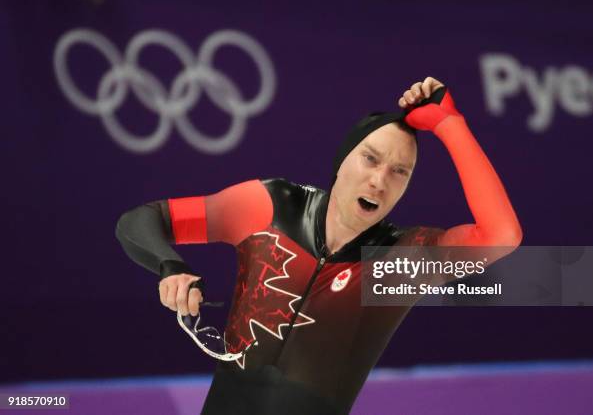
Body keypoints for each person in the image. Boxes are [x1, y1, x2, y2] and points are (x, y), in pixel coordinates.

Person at [115, 77, 522, 415]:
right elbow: (140, 221)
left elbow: (501, 235)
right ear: (343, 158)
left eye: (400, 171)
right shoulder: (270, 207)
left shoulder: (400, 261)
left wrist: (450, 124)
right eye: (370, 159)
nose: (380, 181)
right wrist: (170, 266)